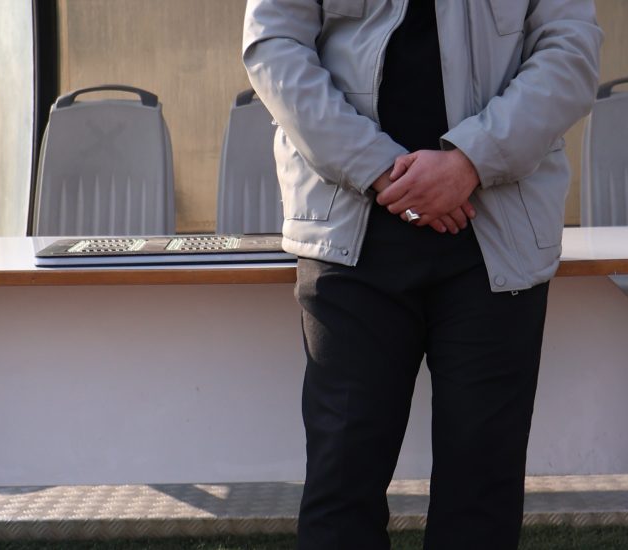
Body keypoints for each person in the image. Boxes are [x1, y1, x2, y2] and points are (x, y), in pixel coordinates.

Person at [242, 1, 602, 548]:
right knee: (342, 481)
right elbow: (274, 45)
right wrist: (379, 167)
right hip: (350, 232)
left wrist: (471, 160)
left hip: (494, 236)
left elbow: (570, 51)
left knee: (481, 490)